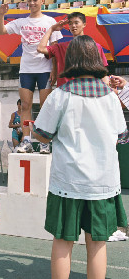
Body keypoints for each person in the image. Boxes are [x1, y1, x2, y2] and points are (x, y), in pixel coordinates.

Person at [29, 35, 128, 279]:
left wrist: (31, 128)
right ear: (97, 58)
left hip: (68, 180)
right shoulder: (110, 96)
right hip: (103, 181)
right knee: (97, 243)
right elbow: (122, 136)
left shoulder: (59, 95)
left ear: (69, 59)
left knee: (63, 240)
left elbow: (42, 135)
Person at [0, 0, 63, 153]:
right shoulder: (21, 22)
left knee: (44, 106)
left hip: (45, 69)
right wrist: (1, 15)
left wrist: (54, 70)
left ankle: (44, 142)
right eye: (29, 0)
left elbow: (54, 49)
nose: (32, 3)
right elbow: (1, 31)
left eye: (35, 0)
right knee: (25, 105)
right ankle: (26, 141)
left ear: (42, 1)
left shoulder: (50, 22)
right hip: (26, 69)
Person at [37, 11, 108, 87]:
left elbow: (102, 71)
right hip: (66, 90)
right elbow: (40, 48)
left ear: (84, 24)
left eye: (76, 23)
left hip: (88, 89)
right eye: (70, 23)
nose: (73, 26)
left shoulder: (95, 46)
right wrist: (51, 29)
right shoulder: (61, 47)